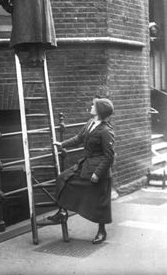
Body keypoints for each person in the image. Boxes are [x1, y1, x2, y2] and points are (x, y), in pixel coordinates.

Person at [48, 97, 115, 244]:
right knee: (63, 178)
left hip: (98, 170)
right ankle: (62, 211)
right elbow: (79, 138)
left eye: (94, 105)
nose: (91, 106)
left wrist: (98, 173)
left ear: (99, 111)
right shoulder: (90, 123)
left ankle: (101, 231)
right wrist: (61, 144)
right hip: (86, 165)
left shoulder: (105, 131)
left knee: (100, 201)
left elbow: (109, 156)